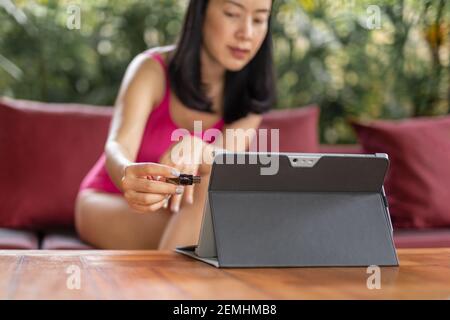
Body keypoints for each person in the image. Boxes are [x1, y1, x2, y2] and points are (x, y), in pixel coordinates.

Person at [75, 0, 276, 250]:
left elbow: (224, 168)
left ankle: (169, 286)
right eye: (232, 14)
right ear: (201, 11)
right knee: (220, 235)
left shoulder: (250, 95)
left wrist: (200, 150)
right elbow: (118, 145)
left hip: (183, 211)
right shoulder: (151, 69)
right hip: (110, 201)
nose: (246, 33)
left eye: (258, 19)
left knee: (214, 182)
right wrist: (129, 174)